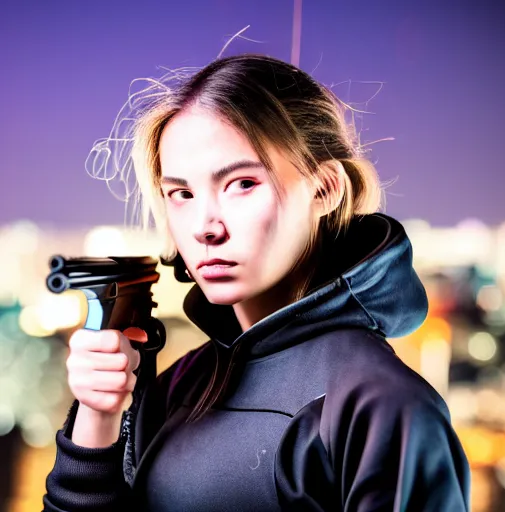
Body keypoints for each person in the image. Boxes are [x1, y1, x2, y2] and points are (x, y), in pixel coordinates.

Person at [43, 54, 470, 511]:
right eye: (182, 194)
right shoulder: (181, 384)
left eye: (242, 183)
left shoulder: (382, 406)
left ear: (325, 189)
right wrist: (97, 415)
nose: (205, 227)